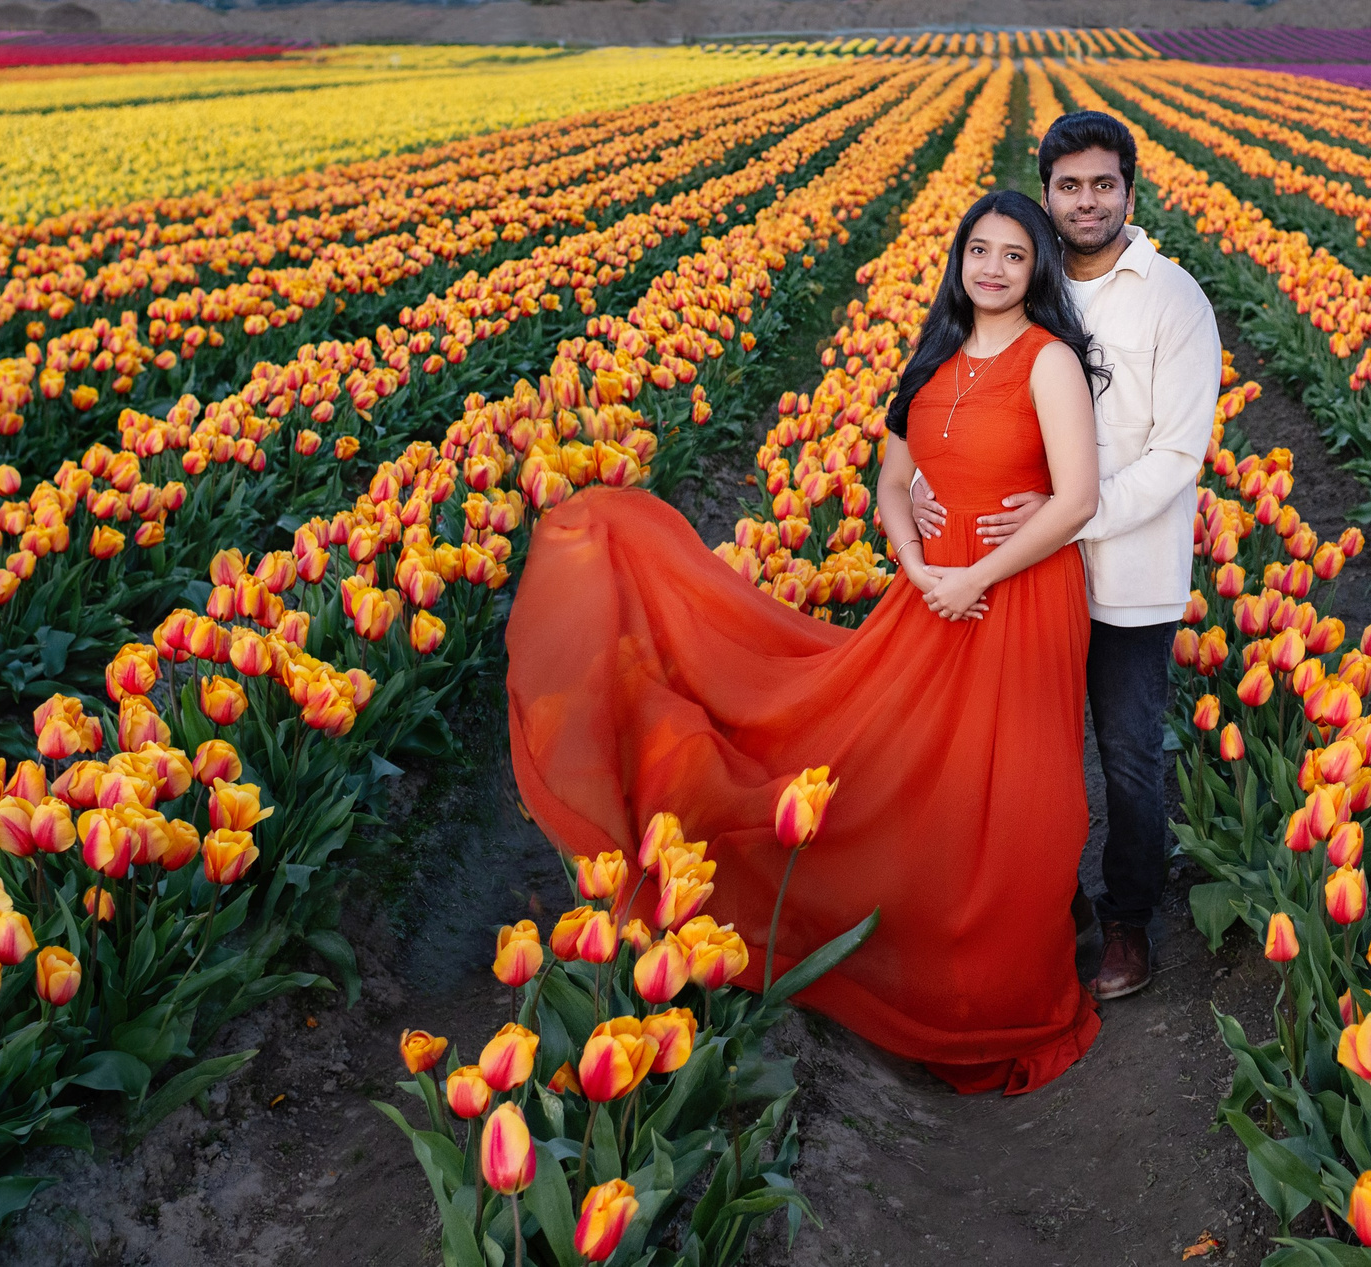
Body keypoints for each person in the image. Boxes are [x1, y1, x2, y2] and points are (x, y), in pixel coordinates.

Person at [503, 190, 1107, 1094]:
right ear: (959, 258)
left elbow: (1078, 498)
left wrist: (973, 575)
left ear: (1038, 270)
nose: (993, 268)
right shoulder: (936, 355)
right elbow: (893, 481)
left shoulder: (1049, 360)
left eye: (1014, 255)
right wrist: (915, 559)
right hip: (931, 591)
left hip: (1015, 597)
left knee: (1019, 793)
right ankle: (923, 966)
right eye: (979, 249)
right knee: (911, 775)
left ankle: (1004, 992)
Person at [914, 110, 1222, 1002]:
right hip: (1021, 576)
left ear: (1131, 191)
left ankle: (1128, 919)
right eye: (1069, 185)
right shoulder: (1026, 281)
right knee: (1025, 754)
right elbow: (961, 388)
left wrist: (1068, 515)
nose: (1087, 201)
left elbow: (1176, 454)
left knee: (1127, 757)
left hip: (1125, 575)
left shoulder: (1172, 299)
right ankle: (1050, 909)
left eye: (1103, 184)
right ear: (1046, 192)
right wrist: (930, 480)